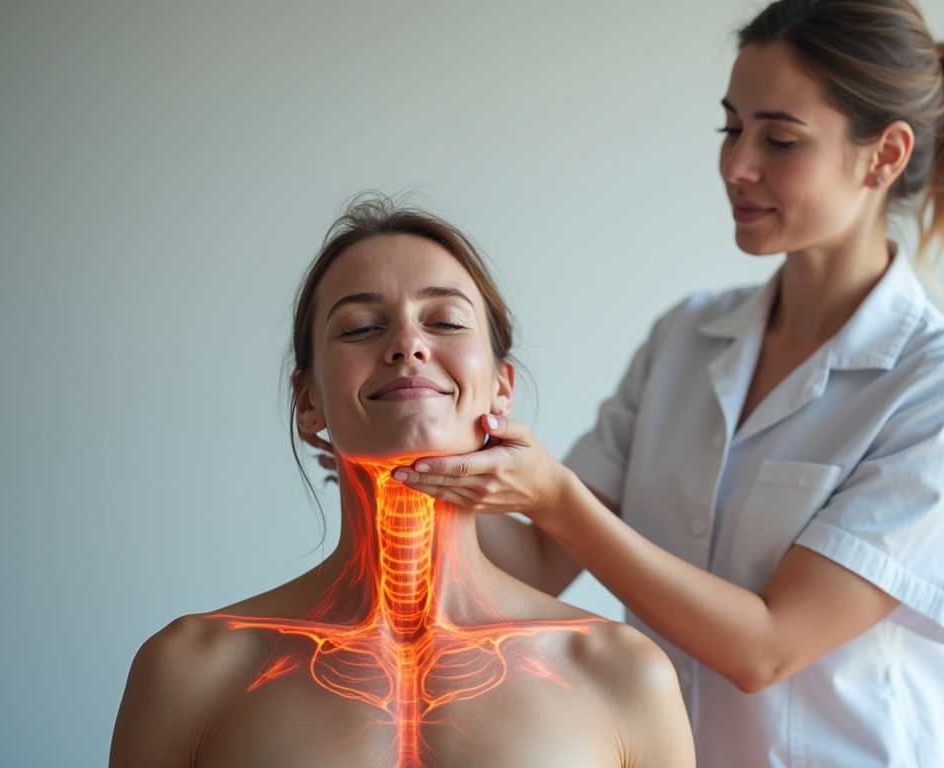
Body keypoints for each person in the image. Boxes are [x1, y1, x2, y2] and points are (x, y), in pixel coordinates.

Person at [390, 1, 944, 766]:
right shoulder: (685, 340)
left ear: (883, 156)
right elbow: (541, 562)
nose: (736, 166)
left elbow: (767, 649)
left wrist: (555, 495)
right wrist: (419, 463)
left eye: (779, 139)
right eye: (731, 128)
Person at [109, 199, 696, 768]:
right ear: (308, 402)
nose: (407, 345)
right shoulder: (188, 671)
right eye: (361, 327)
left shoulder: (622, 673)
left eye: (444, 321)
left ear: (501, 388)